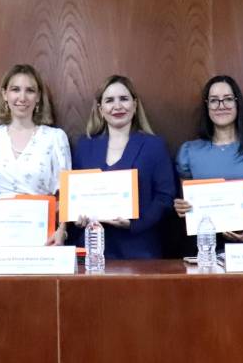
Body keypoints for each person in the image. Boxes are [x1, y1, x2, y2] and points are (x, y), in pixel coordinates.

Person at [71, 75, 176, 259]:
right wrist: (77, 218)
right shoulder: (84, 146)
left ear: (134, 105)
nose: (117, 106)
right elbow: (74, 196)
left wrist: (134, 224)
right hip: (93, 250)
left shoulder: (154, 146)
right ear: (100, 109)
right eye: (109, 100)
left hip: (140, 249)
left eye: (124, 99)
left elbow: (165, 197)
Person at [0, 64, 71, 245]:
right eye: (15, 89)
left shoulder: (55, 138)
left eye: (30, 90)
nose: (22, 97)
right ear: (4, 94)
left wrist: (61, 231)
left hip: (41, 240)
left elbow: (64, 195)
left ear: (38, 97)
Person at [173, 75, 243, 242]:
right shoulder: (189, 152)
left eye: (228, 99)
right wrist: (181, 207)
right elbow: (187, 203)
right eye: (214, 100)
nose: (221, 105)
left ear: (238, 104)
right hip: (205, 243)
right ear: (207, 106)